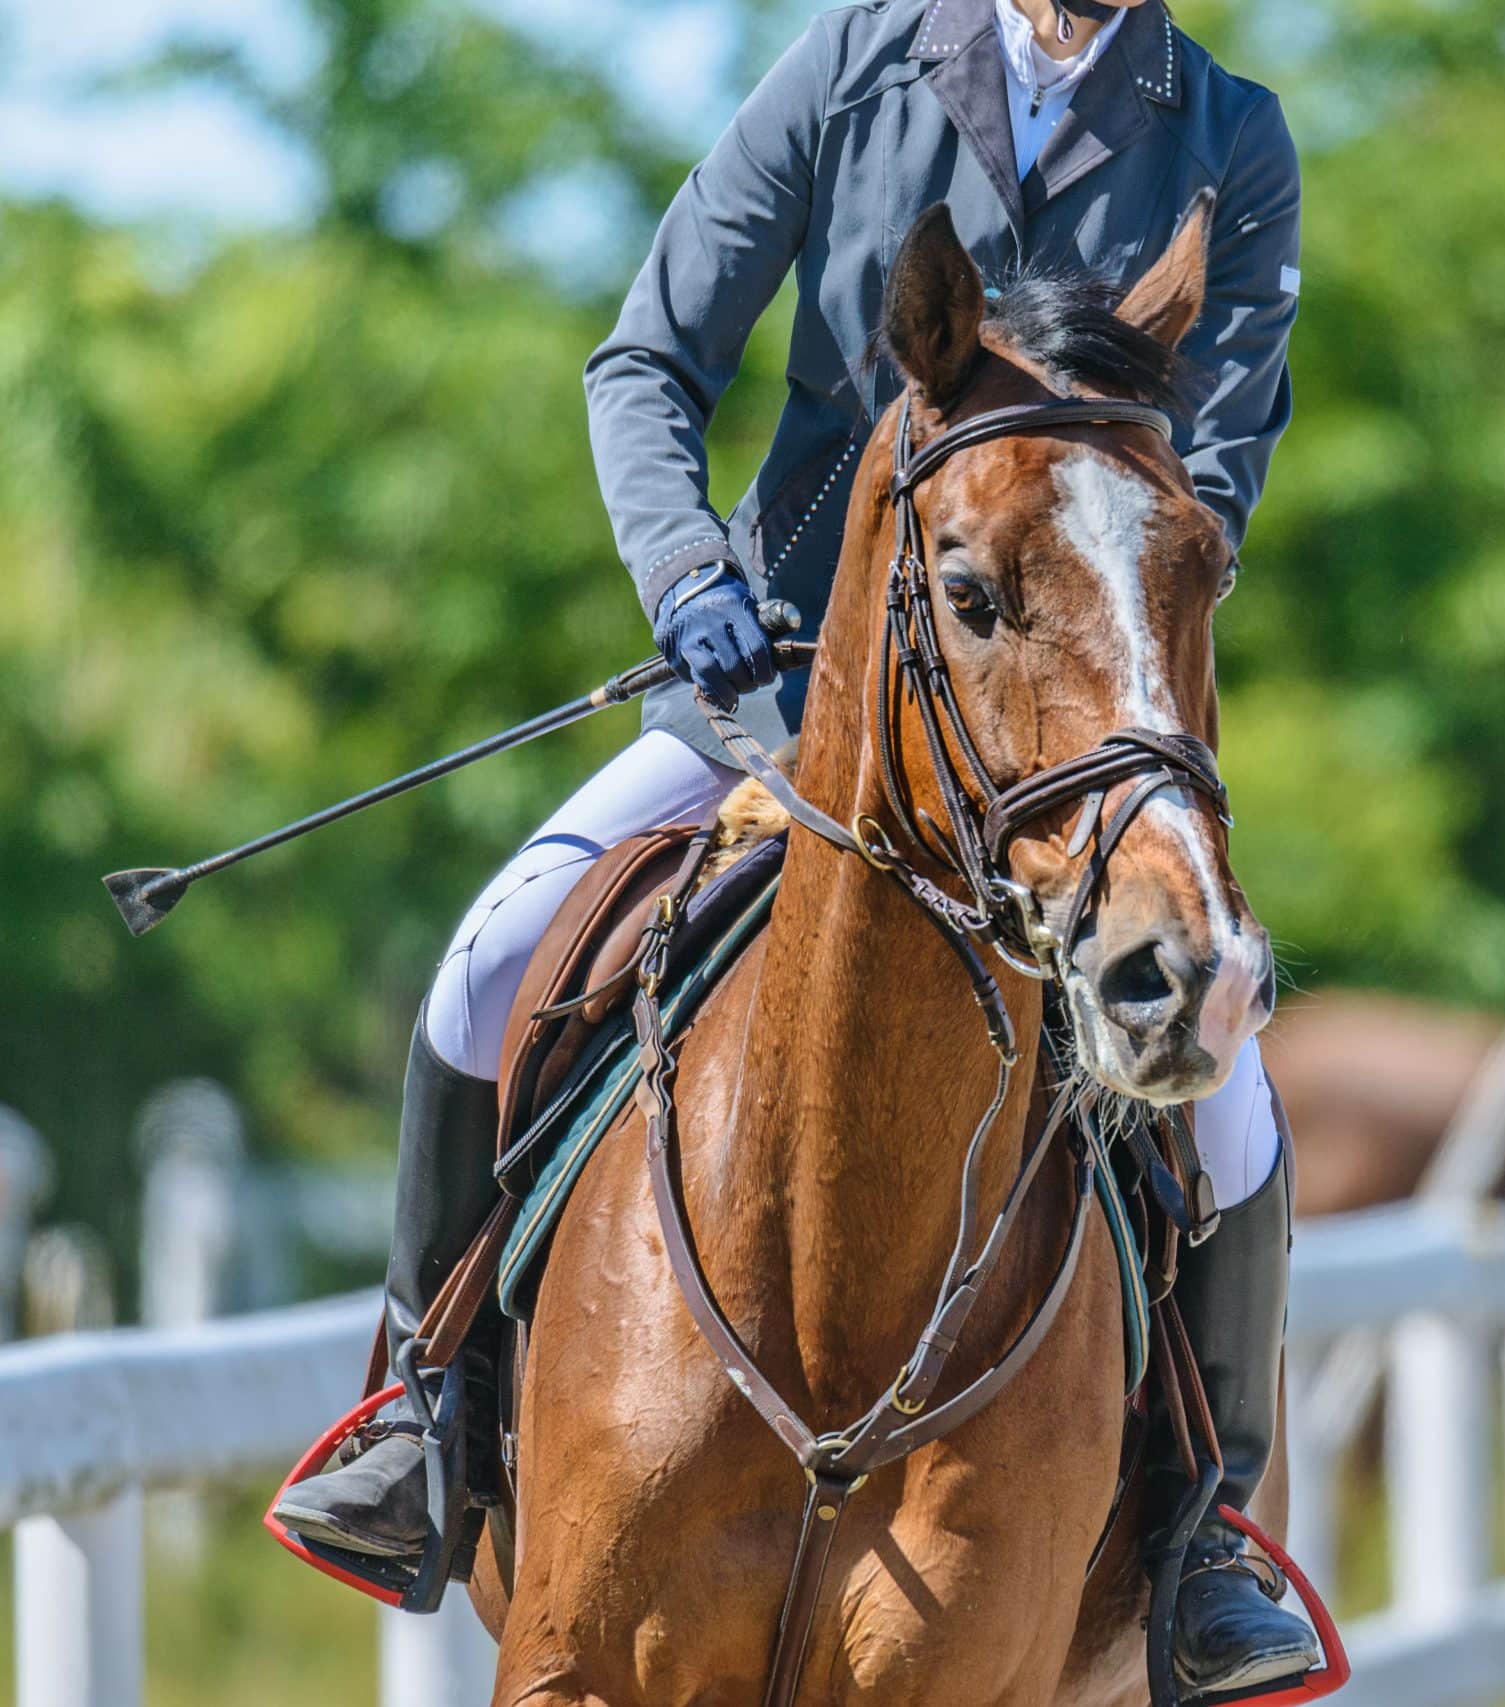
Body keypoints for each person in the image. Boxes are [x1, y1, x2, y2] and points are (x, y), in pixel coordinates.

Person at [269, 0, 1311, 1690]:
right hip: (770, 685)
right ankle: (428, 1418)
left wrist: (1101, 660)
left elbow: (1216, 477)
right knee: (483, 968)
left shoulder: (1227, 134)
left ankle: (1204, 1542)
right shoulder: (853, 64)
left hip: (1044, 728)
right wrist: (688, 578)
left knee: (1234, 1097)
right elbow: (647, 359)